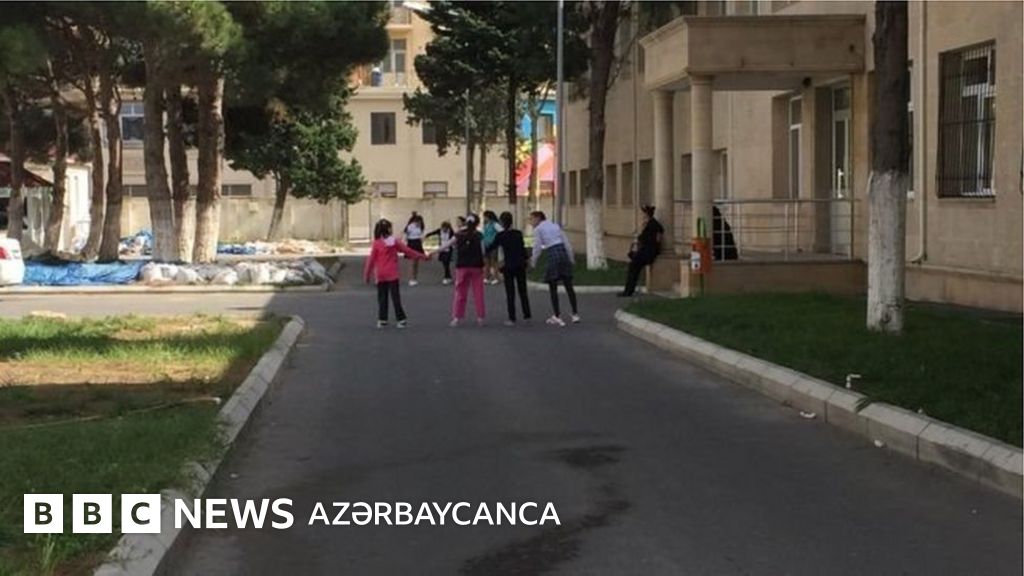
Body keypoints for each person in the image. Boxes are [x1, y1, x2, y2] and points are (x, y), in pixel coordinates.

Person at [364, 219, 430, 329]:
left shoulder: (377, 243)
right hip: (392, 273)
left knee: (382, 298)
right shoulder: (394, 242)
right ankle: (401, 319)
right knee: (395, 297)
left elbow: (371, 260)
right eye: (390, 227)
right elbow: (408, 251)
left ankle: (382, 319)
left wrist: (367, 275)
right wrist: (423, 257)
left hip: (380, 274)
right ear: (388, 229)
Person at [528, 211, 579, 326]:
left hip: (552, 253)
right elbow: (566, 242)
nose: (531, 222)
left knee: (553, 286)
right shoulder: (555, 226)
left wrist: (533, 262)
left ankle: (557, 315)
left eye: (531, 219)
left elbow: (537, 247)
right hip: (562, 251)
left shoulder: (538, 229)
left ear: (538, 218)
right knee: (568, 285)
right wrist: (571, 258)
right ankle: (575, 314)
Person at [439, 214, 487, 327]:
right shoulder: (479, 235)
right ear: (477, 223)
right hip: (476, 266)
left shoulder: (459, 234)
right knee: (478, 292)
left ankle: (456, 317)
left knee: (460, 292)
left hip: (462, 266)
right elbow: (483, 251)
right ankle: (480, 317)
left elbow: (447, 244)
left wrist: (434, 252)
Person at [486, 211, 531, 326]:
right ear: (511, 221)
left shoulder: (501, 236)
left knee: (510, 292)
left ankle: (512, 318)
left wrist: (482, 250)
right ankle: (527, 315)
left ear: (501, 222)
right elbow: (522, 248)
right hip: (520, 264)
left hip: (508, 266)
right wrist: (526, 259)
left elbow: (492, 246)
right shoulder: (518, 233)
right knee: (523, 291)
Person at [619, 205, 664, 297]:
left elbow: (652, 239)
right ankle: (628, 290)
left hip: (648, 252)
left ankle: (628, 291)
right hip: (646, 251)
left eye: (644, 215)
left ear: (647, 215)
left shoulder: (652, 225)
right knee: (633, 266)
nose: (642, 217)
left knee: (633, 267)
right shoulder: (651, 224)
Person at [425, 220, 455, 285]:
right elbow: (433, 233)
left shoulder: (451, 232)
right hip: (442, 249)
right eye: (443, 228)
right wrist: (427, 235)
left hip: (448, 249)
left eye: (445, 228)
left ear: (448, 228)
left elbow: (454, 237)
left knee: (447, 263)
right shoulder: (439, 231)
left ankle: (446, 277)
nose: (444, 230)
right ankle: (448, 276)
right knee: (444, 263)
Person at [403, 212, 426, 286]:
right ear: (415, 221)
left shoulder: (420, 227)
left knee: (416, 263)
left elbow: (421, 236)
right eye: (418, 222)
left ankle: (415, 278)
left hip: (418, 243)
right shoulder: (410, 226)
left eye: (420, 222)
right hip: (411, 243)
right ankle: (411, 278)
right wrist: (404, 243)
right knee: (412, 262)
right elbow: (406, 235)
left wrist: (422, 240)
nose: (419, 223)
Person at [481, 210, 503, 285]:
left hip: (493, 245)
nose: (484, 218)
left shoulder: (495, 224)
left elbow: (501, 232)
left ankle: (496, 277)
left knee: (494, 262)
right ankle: (486, 277)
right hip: (486, 245)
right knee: (486, 262)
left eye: (485, 217)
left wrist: (497, 240)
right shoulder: (485, 225)